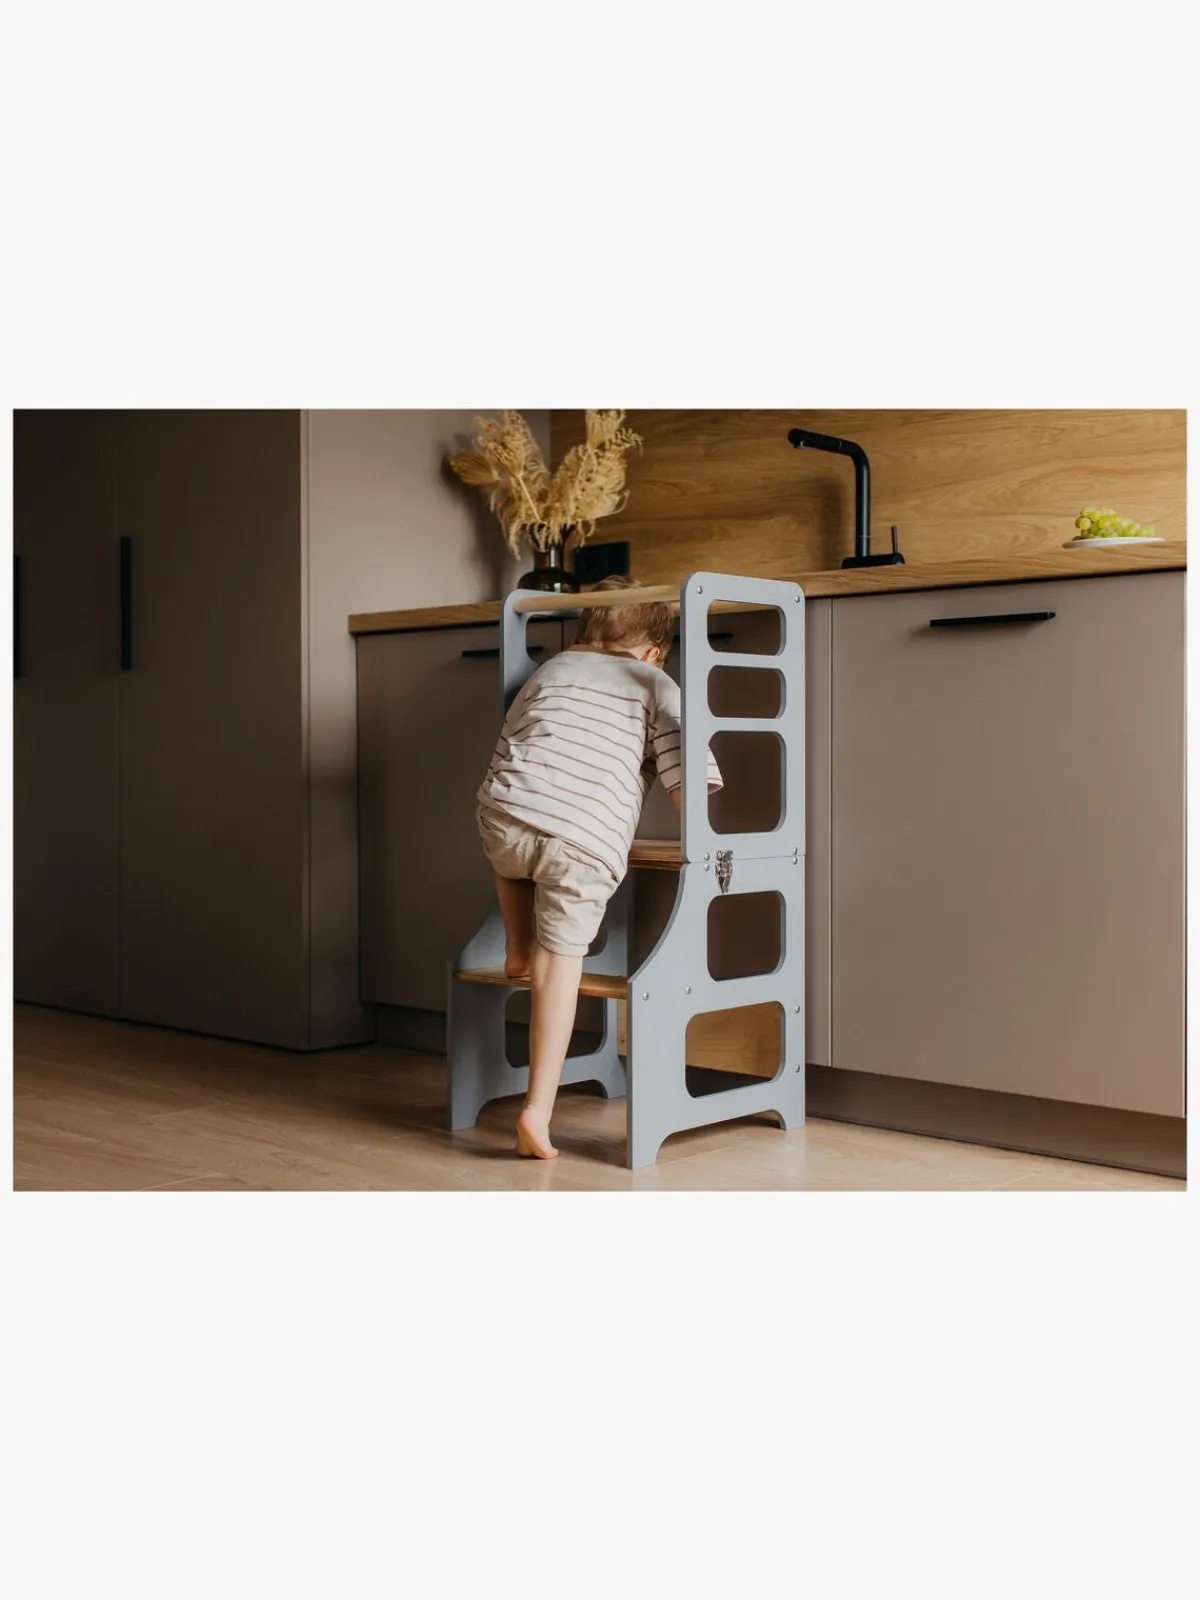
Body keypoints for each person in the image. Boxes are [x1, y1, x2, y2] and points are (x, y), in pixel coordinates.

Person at [476, 576, 722, 1158]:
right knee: (558, 968)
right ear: (654, 652)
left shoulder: (550, 669)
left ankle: (515, 943)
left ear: (584, 635)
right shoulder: (655, 683)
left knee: (511, 847)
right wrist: (702, 835)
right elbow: (687, 776)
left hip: (502, 814)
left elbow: (512, 746)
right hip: (583, 843)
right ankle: (537, 1111)